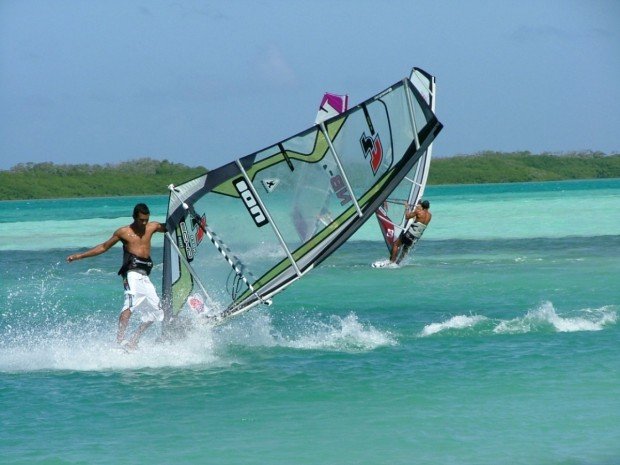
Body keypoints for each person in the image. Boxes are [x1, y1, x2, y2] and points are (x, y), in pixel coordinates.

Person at [67, 203, 166, 349]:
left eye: (146, 219)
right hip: (131, 274)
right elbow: (103, 247)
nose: (144, 223)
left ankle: (134, 340)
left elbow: (172, 226)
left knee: (157, 312)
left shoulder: (152, 227)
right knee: (129, 305)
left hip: (145, 276)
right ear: (134, 217)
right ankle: (119, 341)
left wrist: (188, 215)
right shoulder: (123, 232)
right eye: (141, 220)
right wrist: (80, 256)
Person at [390, 199, 432, 264]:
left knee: (396, 245)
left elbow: (407, 217)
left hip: (409, 234)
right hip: (416, 237)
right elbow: (421, 219)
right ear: (429, 207)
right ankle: (397, 264)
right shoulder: (430, 216)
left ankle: (392, 262)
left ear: (422, 206)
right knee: (404, 250)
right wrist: (419, 206)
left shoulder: (418, 212)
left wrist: (407, 208)